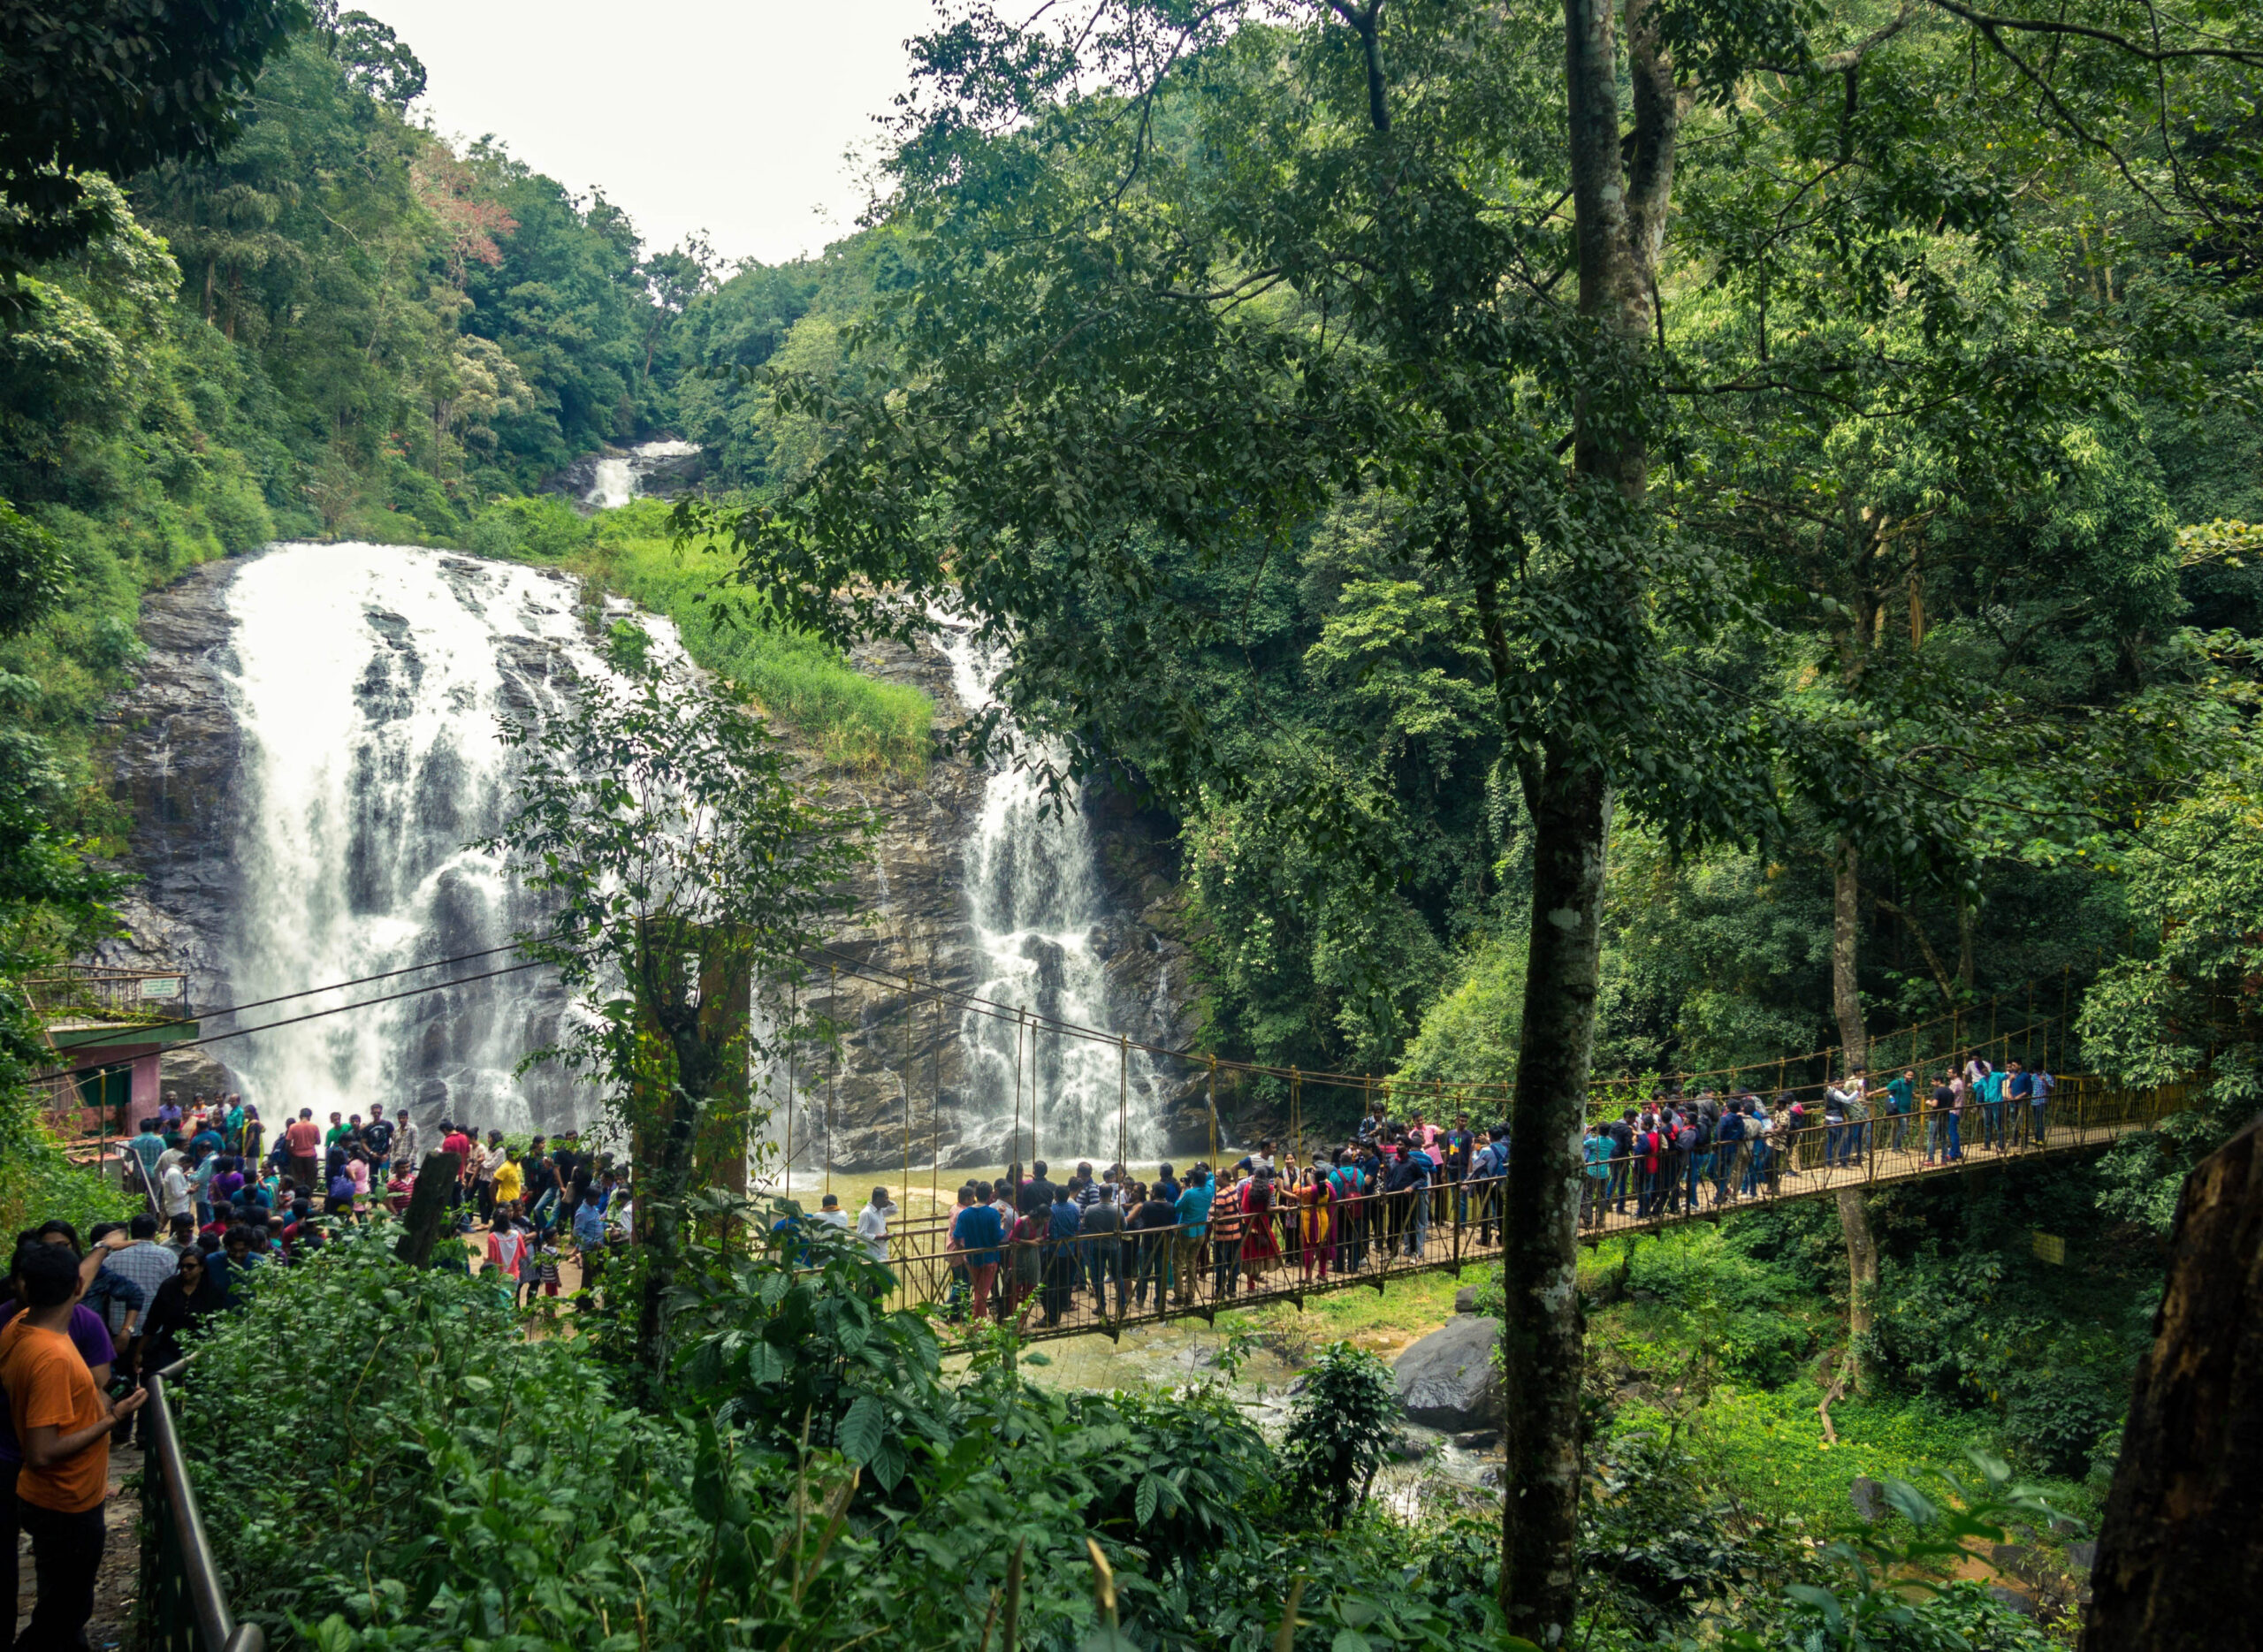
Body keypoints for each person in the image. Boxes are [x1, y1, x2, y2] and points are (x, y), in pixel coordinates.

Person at [0, 1244, 141, 1652]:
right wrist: (113, 1419)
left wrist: (101, 1250)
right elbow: (41, 1451)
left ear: (24, 1287)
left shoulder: (18, 1325)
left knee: (63, 1602)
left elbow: (71, 1278)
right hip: (65, 1500)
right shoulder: (52, 1358)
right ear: (78, 1288)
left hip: (54, 1499)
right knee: (65, 1611)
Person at [955, 1185, 1006, 1321]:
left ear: (976, 1195)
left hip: (972, 1258)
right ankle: (977, 1323)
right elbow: (998, 1236)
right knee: (982, 1293)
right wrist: (1002, 1224)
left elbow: (956, 1235)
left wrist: (961, 1249)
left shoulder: (964, 1214)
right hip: (990, 1258)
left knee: (979, 1290)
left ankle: (979, 1320)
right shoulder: (993, 1213)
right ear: (990, 1196)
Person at [1078, 1181, 1128, 1316]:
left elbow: (1086, 1225)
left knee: (1097, 1277)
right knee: (1118, 1276)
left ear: (1099, 1194)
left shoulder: (1090, 1209)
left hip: (1097, 1246)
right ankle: (1122, 1306)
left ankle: (1101, 1306)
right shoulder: (1118, 1209)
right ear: (1111, 1194)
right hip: (1114, 1246)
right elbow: (1124, 1227)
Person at [857, 1186, 897, 1270]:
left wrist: (888, 1202)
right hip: (871, 1255)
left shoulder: (880, 1211)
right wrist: (879, 1237)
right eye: (885, 1198)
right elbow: (861, 1234)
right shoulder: (866, 1213)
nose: (887, 1200)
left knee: (885, 1281)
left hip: (882, 1253)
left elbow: (894, 1210)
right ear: (878, 1199)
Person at [284, 1108, 322, 1189]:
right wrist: (310, 1142)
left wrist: (292, 1153)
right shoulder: (314, 1127)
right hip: (311, 1156)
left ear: (300, 1116)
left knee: (297, 1178)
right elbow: (318, 1142)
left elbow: (287, 1144)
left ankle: (298, 1196)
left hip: (297, 1156)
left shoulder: (293, 1127)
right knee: (310, 1178)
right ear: (310, 1117)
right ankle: (309, 1197)